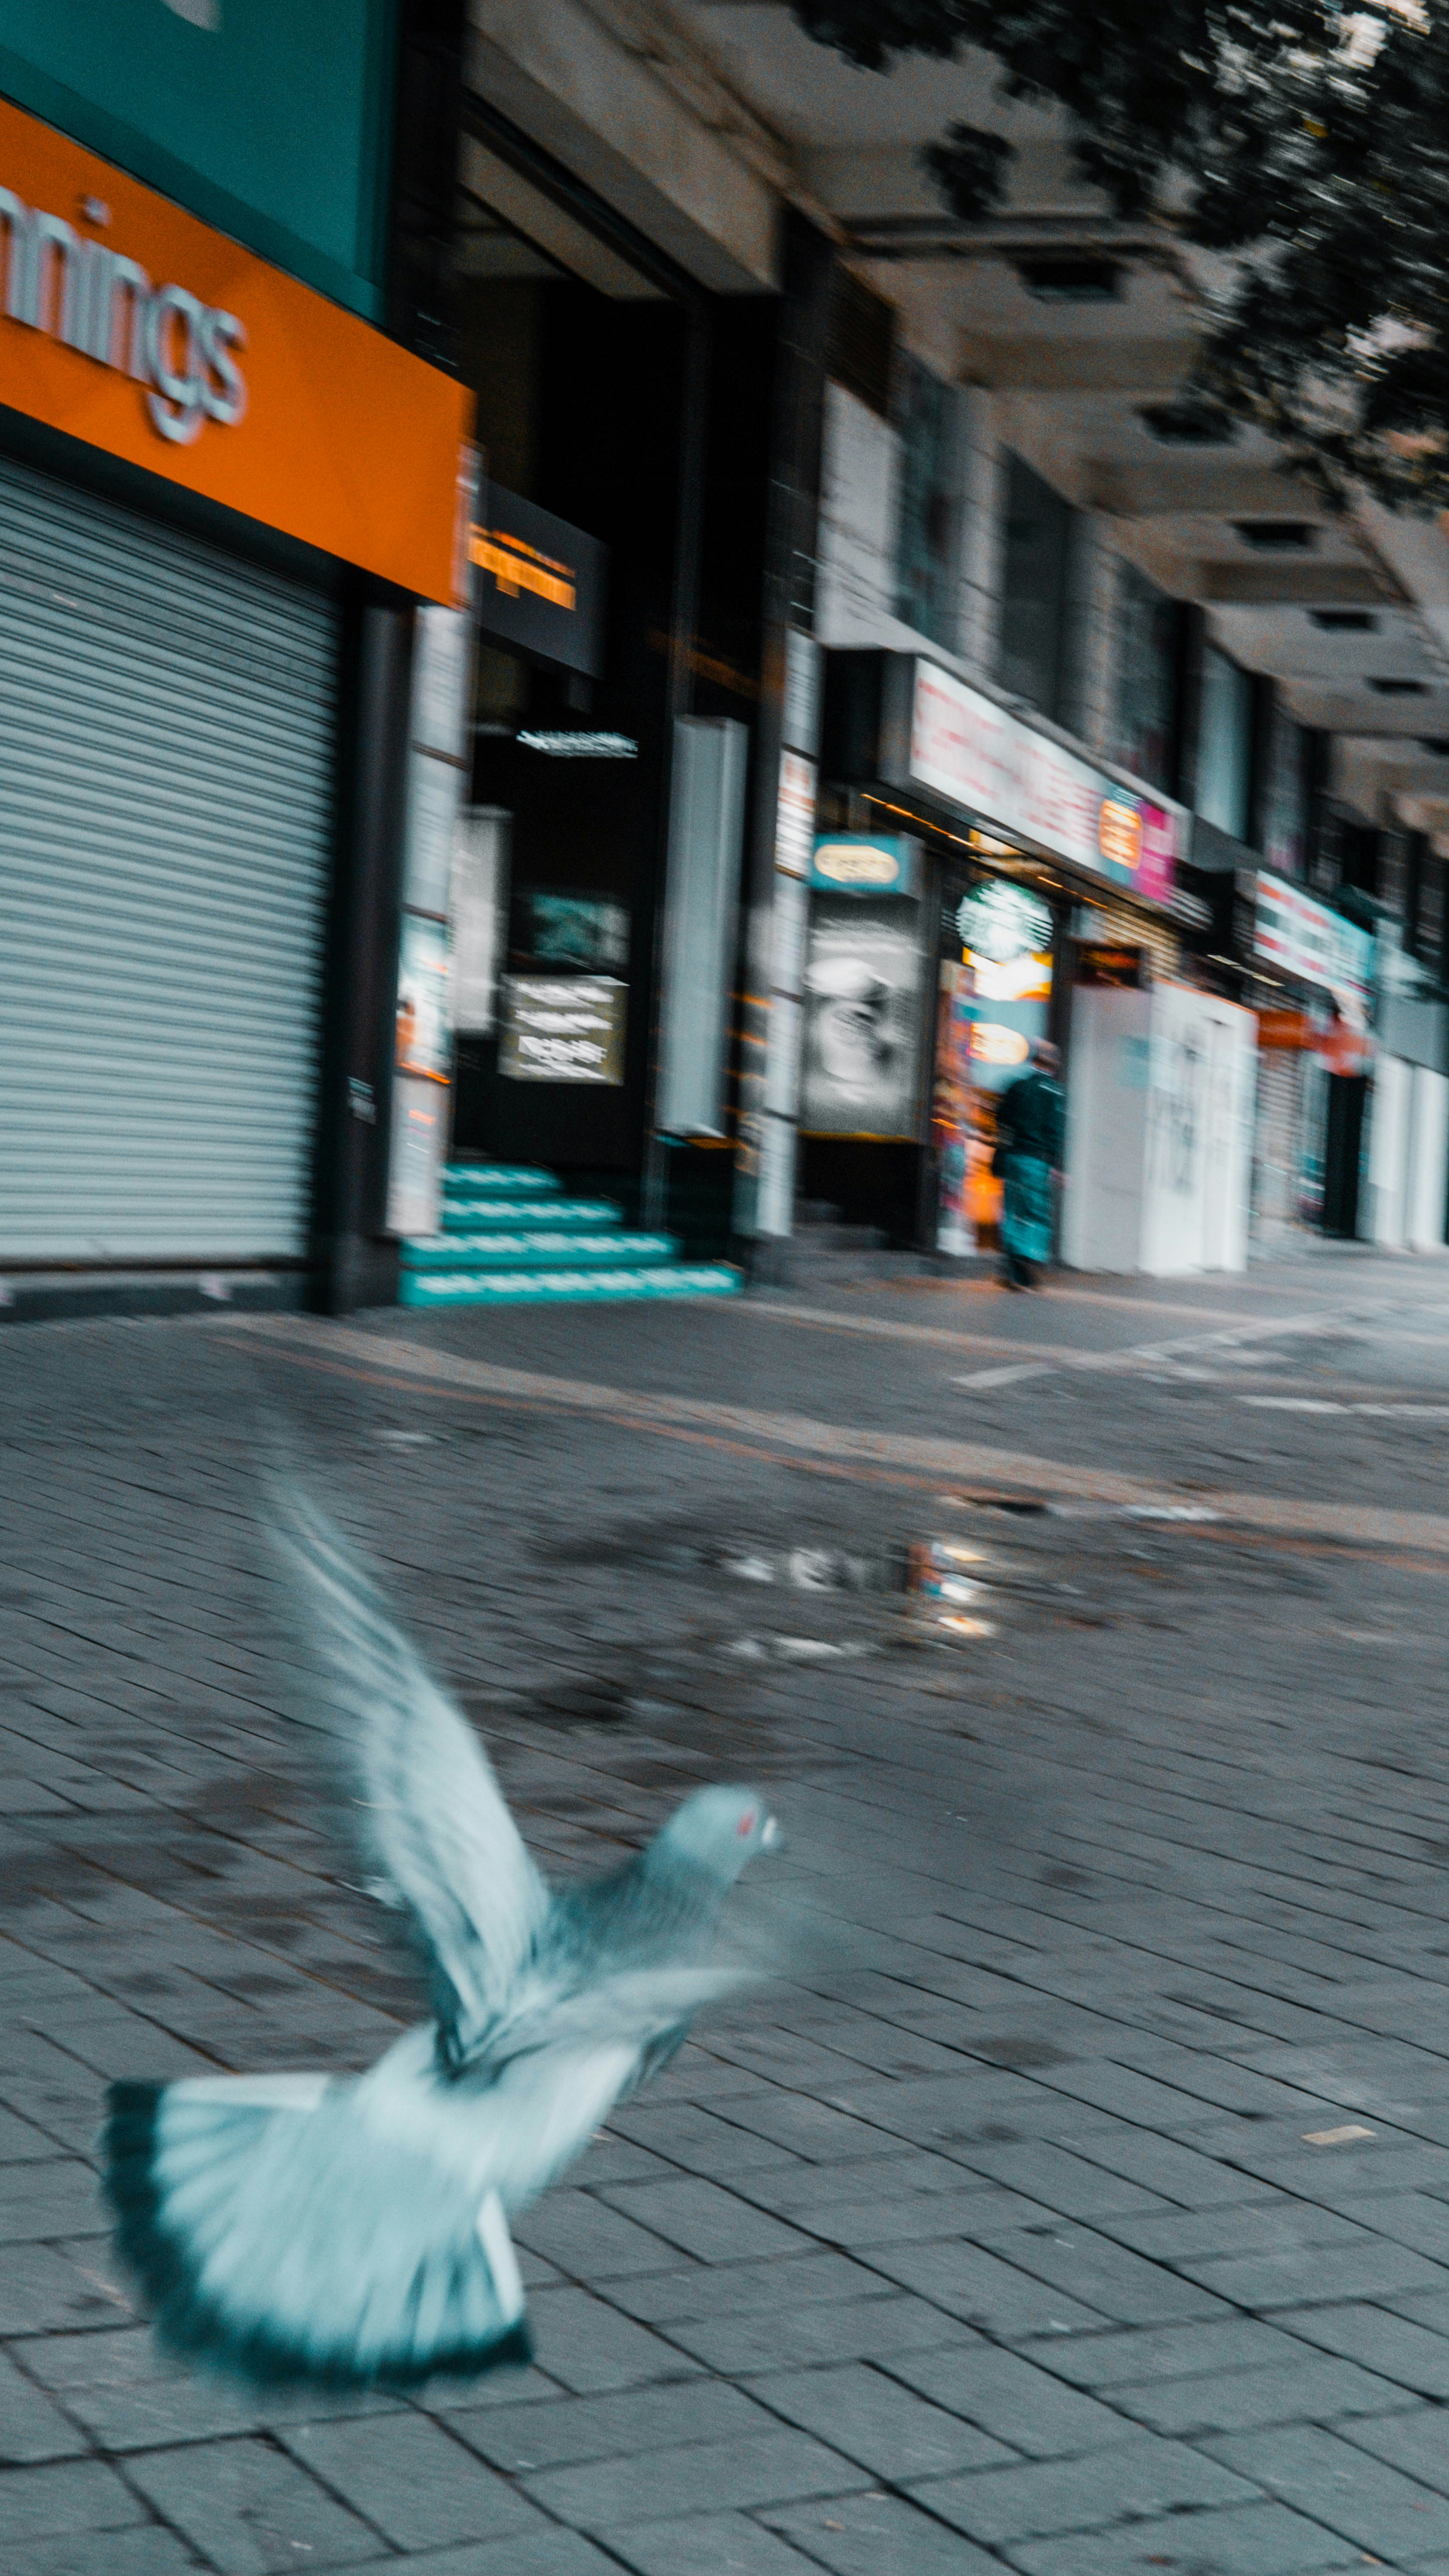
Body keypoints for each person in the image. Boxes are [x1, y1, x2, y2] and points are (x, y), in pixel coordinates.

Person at [994, 1037, 1064, 1289]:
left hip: (1013, 1157)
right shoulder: (1055, 1092)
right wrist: (1055, 1166)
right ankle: (1027, 1262)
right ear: (1054, 1066)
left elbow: (1001, 1118)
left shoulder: (1017, 1086)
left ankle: (1013, 1267)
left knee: (1012, 1210)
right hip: (1037, 1161)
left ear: (1032, 1060)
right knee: (1035, 1212)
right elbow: (1055, 1132)